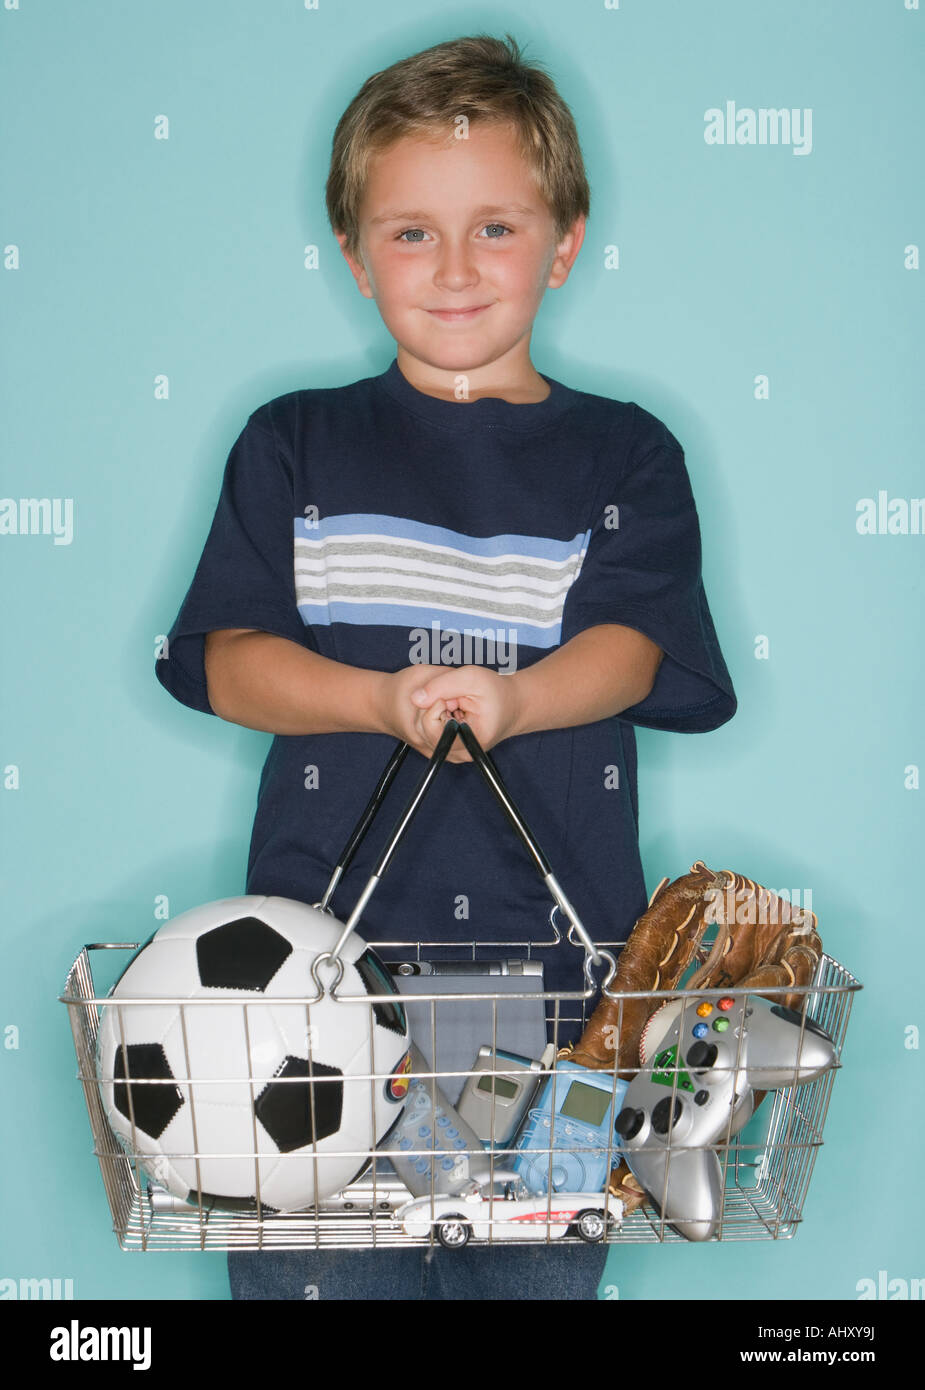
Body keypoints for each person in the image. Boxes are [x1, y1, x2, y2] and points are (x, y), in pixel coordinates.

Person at [155, 32, 736, 1301]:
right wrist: (375, 700)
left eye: (497, 228)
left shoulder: (626, 457)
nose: (456, 268)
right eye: (411, 232)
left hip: (554, 979)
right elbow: (232, 661)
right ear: (357, 256)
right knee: (332, 1282)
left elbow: (631, 654)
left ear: (566, 239)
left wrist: (517, 699)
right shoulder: (293, 442)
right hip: (314, 983)